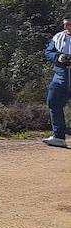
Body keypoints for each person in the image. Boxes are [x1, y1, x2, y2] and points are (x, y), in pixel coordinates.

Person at [43, 17, 71, 148]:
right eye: (65, 25)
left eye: (69, 24)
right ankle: (59, 136)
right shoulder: (58, 37)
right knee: (53, 100)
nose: (67, 27)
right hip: (61, 73)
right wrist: (58, 57)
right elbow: (48, 52)